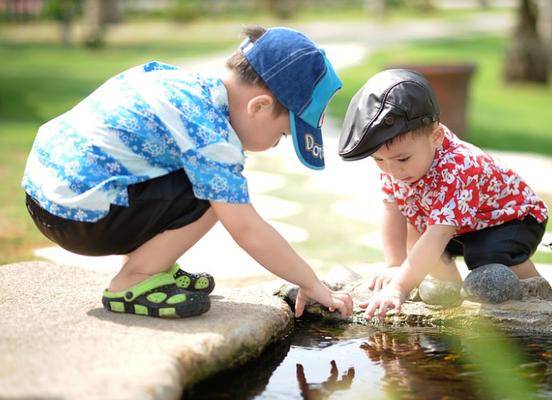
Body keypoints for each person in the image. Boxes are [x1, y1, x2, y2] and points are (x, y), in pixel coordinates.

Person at [22, 26, 353, 319]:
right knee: (217, 195)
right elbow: (247, 229)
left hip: (46, 197)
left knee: (201, 178)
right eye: (282, 135)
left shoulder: (182, 84)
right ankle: (135, 280)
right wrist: (311, 283)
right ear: (259, 107)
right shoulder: (211, 135)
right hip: (78, 218)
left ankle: (154, 265)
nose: (275, 145)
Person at [338, 69, 547, 320]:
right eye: (379, 160)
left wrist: (398, 287)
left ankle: (536, 292)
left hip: (511, 220)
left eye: (402, 158)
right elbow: (392, 208)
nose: (392, 170)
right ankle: (450, 294)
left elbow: (440, 232)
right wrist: (395, 265)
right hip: (460, 225)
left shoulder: (459, 166)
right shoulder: (396, 165)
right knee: (416, 230)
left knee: (485, 255)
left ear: (436, 136)